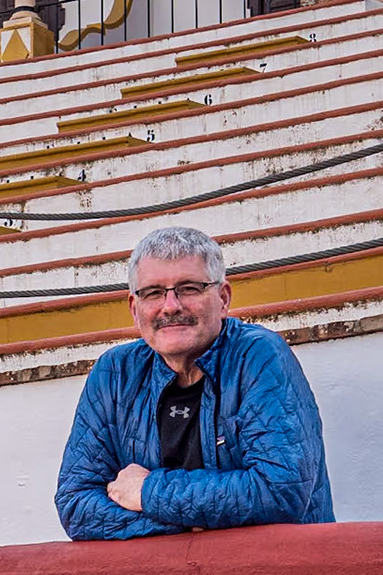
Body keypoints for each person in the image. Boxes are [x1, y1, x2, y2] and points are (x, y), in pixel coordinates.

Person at [54, 226, 333, 540]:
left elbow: (281, 491)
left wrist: (148, 492)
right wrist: (188, 525)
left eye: (189, 288)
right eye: (154, 292)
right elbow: (76, 504)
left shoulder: (258, 357)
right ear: (135, 308)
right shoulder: (114, 374)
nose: (171, 306)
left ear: (223, 298)